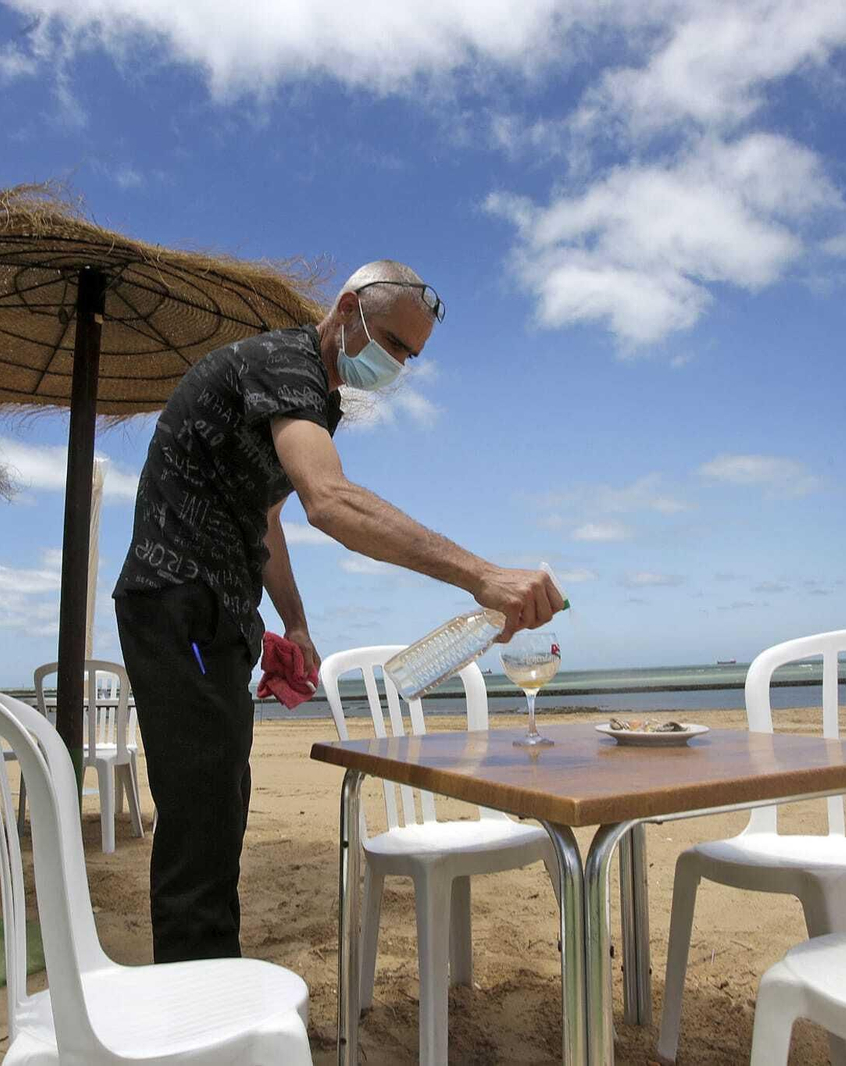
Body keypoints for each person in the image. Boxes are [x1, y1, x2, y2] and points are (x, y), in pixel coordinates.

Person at [112, 260, 564, 963]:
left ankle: (206, 992)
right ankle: (199, 1011)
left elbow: (270, 519)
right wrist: (481, 576)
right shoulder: (286, 362)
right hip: (180, 604)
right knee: (201, 823)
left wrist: (292, 622)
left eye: (408, 356)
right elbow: (330, 501)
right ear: (347, 309)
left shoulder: (312, 400)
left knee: (221, 806)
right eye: (390, 342)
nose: (396, 364)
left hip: (216, 613)